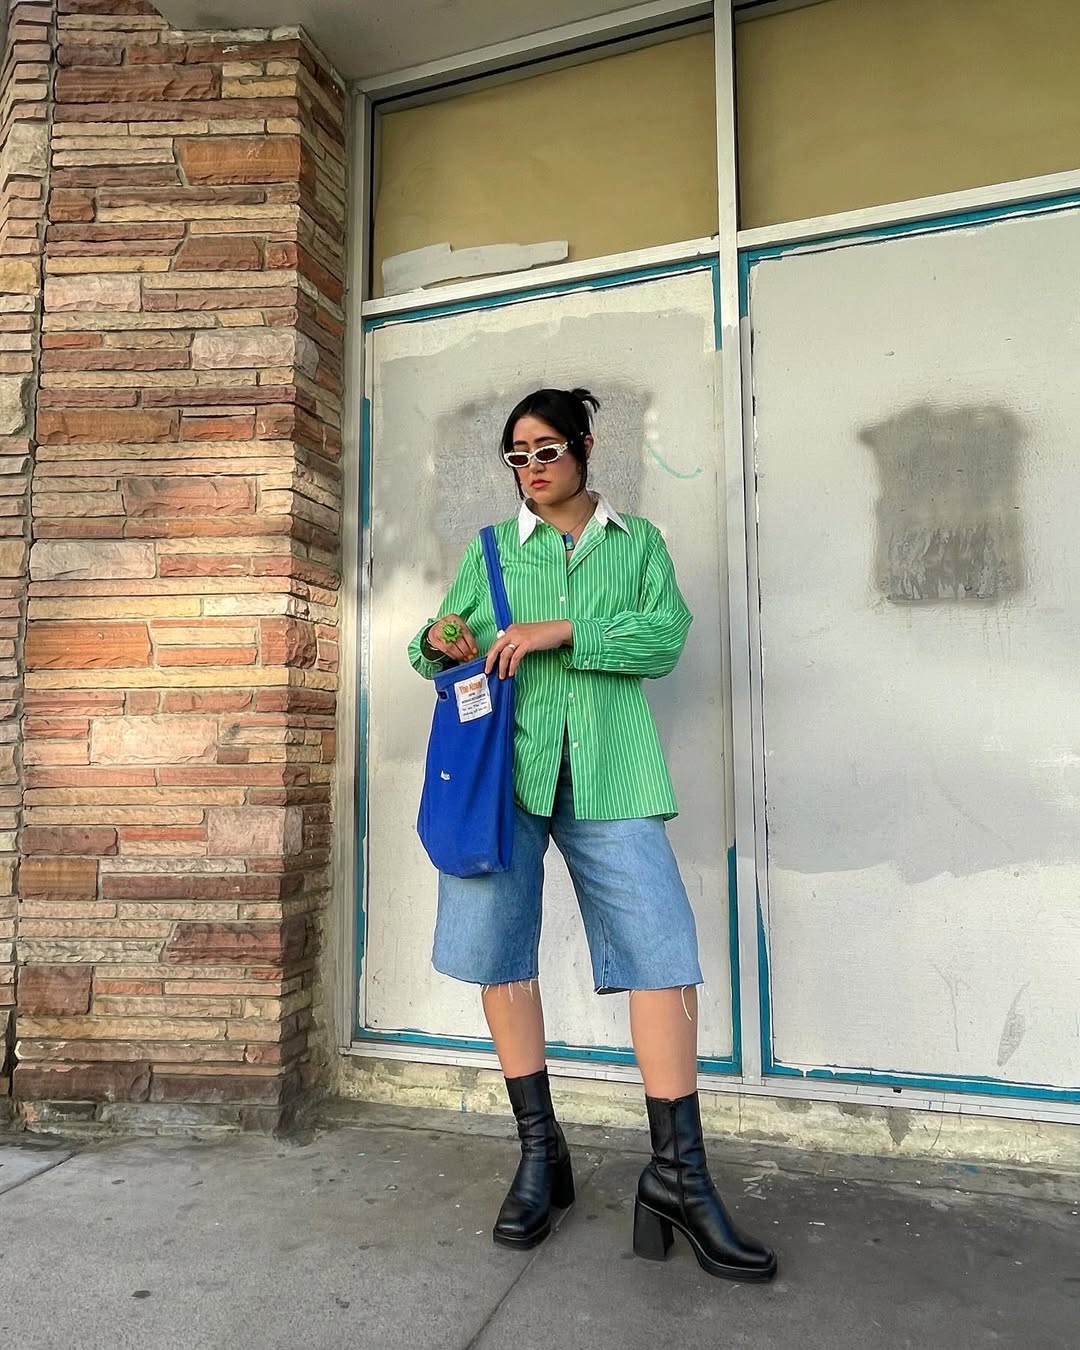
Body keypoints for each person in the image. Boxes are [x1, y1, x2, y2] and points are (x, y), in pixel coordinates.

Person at [408, 387, 776, 1282]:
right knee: (500, 952)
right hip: (507, 778)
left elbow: (664, 640)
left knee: (661, 952)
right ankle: (542, 1155)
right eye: (518, 456)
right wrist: (443, 639)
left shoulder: (637, 543)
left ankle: (679, 1178)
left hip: (613, 771)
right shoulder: (491, 550)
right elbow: (433, 647)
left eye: (547, 450)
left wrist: (564, 630)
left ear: (584, 447)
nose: (532, 469)